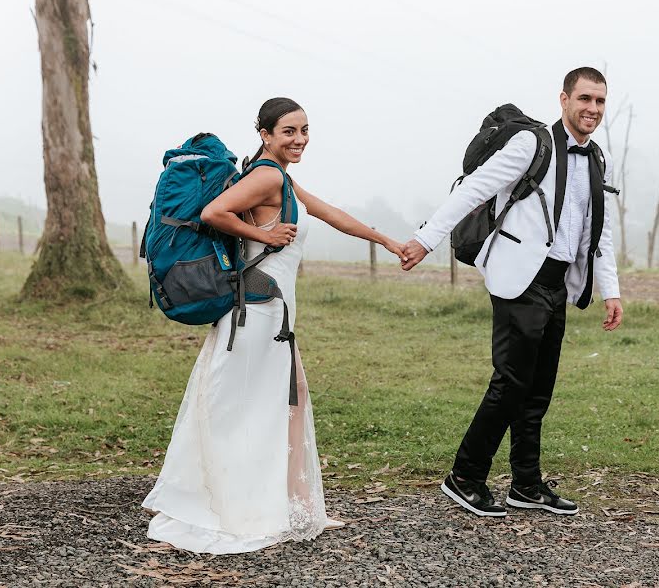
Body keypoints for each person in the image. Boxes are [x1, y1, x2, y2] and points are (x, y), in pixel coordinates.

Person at [142, 97, 406, 554]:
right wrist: (265, 235)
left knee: (282, 405)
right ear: (265, 134)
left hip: (269, 314)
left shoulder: (277, 176)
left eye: (304, 130)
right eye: (289, 131)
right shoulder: (265, 175)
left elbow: (326, 212)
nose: (300, 139)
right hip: (258, 316)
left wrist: (383, 239)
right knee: (247, 411)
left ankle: (289, 505)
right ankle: (242, 509)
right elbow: (212, 213)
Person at [401, 67, 623, 517]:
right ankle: (464, 476)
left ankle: (526, 483)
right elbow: (473, 191)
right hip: (519, 277)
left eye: (600, 101)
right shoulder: (531, 145)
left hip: (560, 281)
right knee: (512, 382)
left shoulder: (597, 159)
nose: (592, 110)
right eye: (584, 99)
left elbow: (600, 231)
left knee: (538, 388)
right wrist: (425, 240)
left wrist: (611, 289)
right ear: (563, 99)